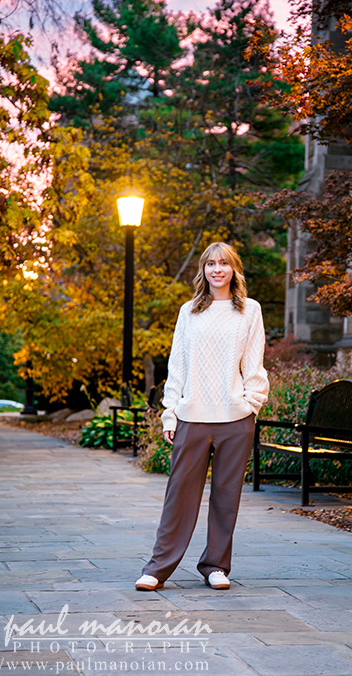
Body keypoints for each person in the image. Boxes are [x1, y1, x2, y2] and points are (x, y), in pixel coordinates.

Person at [135, 242, 269, 591]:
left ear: (234, 269)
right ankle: (157, 568)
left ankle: (215, 566)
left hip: (235, 418)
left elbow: (254, 364)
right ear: (203, 270)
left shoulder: (250, 311)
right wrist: (169, 413)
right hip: (192, 416)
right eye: (211, 263)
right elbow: (176, 365)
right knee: (179, 493)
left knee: (227, 495)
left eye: (224, 263)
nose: (217, 269)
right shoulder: (189, 311)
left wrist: (251, 403)